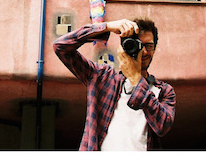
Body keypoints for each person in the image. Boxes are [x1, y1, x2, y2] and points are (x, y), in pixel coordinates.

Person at [53, 17, 175, 150]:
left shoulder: (164, 91)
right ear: (125, 47)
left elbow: (162, 126)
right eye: (138, 44)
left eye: (149, 46)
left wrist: (135, 78)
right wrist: (107, 27)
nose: (144, 51)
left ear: (154, 49)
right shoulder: (102, 77)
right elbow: (61, 47)